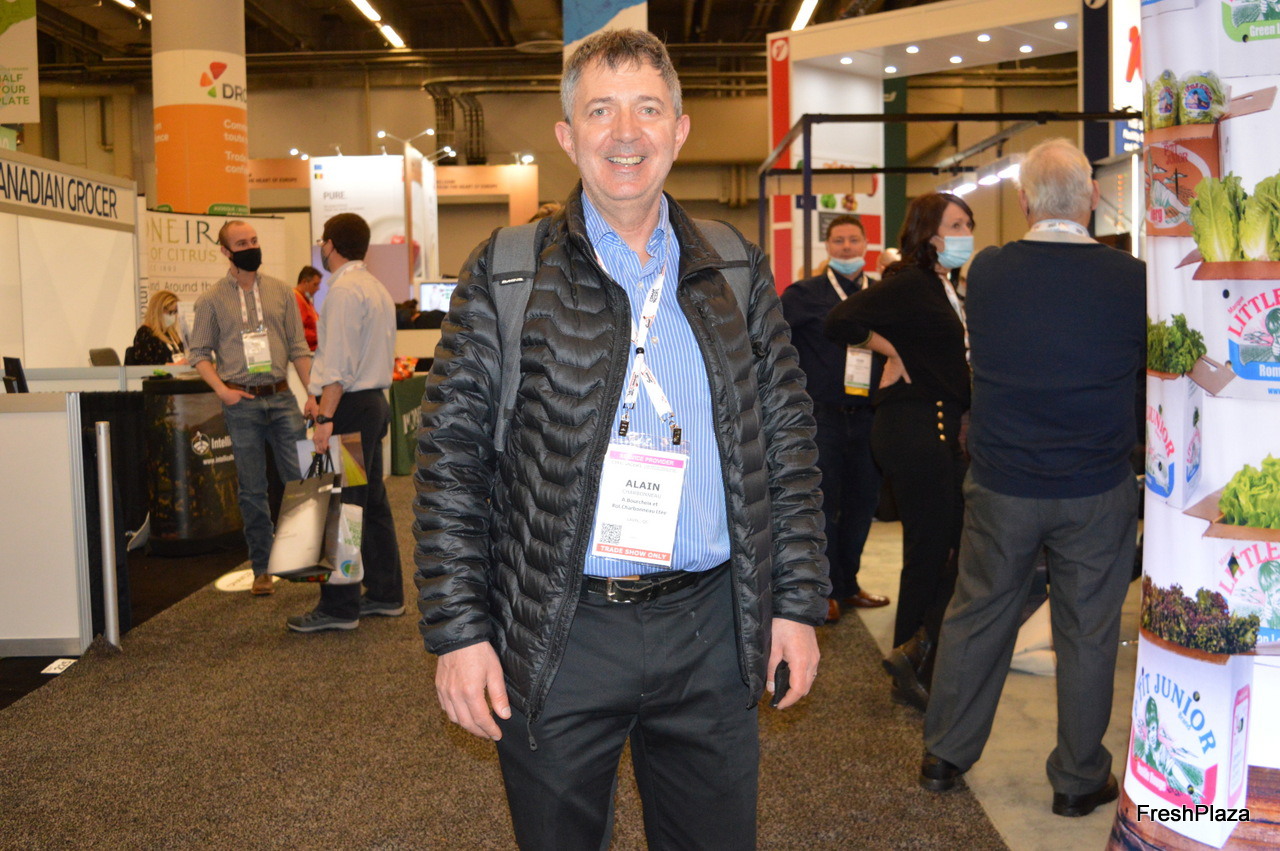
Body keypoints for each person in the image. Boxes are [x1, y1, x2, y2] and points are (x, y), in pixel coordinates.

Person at [414, 28, 828, 849]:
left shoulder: (735, 268)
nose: (626, 133)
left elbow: (786, 444)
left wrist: (795, 602)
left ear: (681, 129)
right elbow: (451, 461)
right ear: (568, 137)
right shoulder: (508, 270)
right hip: (559, 628)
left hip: (712, 624)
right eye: (601, 111)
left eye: (648, 109)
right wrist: (460, 632)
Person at [918, 139, 1144, 819]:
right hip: (1096, 483)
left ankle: (944, 755)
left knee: (978, 613)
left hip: (1004, 481)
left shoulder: (989, 270)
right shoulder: (1131, 278)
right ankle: (1077, 779)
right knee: (1087, 631)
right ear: (1093, 197)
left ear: (1022, 202)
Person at [824, 192, 974, 711]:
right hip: (915, 427)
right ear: (930, 233)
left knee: (947, 546)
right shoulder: (912, 281)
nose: (966, 234)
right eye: (957, 225)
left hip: (938, 426)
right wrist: (891, 349)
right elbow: (840, 320)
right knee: (931, 549)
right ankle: (912, 659)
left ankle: (917, 653)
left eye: (968, 224)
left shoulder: (945, 285)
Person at [288, 214, 403, 632]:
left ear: (331, 245)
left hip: (348, 411)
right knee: (370, 502)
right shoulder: (375, 288)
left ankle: (340, 606)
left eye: (323, 242)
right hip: (371, 406)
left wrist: (325, 417)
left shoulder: (341, 291)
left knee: (342, 507)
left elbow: (337, 368)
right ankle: (386, 593)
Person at [188, 220, 313, 597]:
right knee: (253, 489)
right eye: (242, 243)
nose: (251, 247)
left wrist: (314, 394)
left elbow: (299, 348)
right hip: (241, 402)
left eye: (254, 241)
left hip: (282, 397)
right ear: (226, 251)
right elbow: (199, 354)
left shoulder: (281, 292)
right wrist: (222, 391)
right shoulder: (211, 300)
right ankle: (262, 567)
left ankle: (308, 559)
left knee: (301, 481)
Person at [781, 214, 889, 625]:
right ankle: (823, 590)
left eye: (853, 240)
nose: (846, 247)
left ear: (866, 245)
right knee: (822, 505)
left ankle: (849, 585)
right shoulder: (803, 295)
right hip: (820, 418)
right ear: (828, 247)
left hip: (870, 417)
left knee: (863, 504)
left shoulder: (882, 294)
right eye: (839, 240)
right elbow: (777, 347)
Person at [128, 290, 187, 365]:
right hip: (163, 373)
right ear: (158, 311)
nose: (174, 316)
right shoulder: (145, 333)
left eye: (175, 312)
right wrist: (173, 366)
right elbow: (145, 366)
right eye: (170, 312)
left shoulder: (172, 334)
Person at [294, 265, 322, 351]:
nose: (318, 288)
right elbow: (298, 331)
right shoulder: (295, 299)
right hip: (305, 350)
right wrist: (321, 334)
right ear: (304, 282)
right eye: (315, 284)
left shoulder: (306, 299)